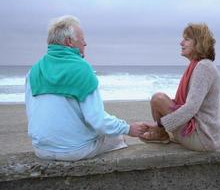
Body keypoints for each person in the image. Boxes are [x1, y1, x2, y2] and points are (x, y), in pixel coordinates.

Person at [25, 15, 147, 161]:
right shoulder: (81, 68)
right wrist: (128, 128)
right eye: (82, 40)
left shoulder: (33, 71)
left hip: (41, 149)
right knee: (117, 138)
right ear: (69, 42)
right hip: (74, 151)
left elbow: (32, 112)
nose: (85, 44)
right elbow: (98, 121)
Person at [140, 23, 220, 151]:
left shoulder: (204, 67)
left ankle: (160, 133)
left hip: (203, 137)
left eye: (187, 39)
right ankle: (162, 134)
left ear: (199, 42)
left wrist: (158, 123)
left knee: (158, 98)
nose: (181, 43)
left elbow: (191, 108)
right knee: (158, 99)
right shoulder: (198, 66)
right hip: (200, 133)